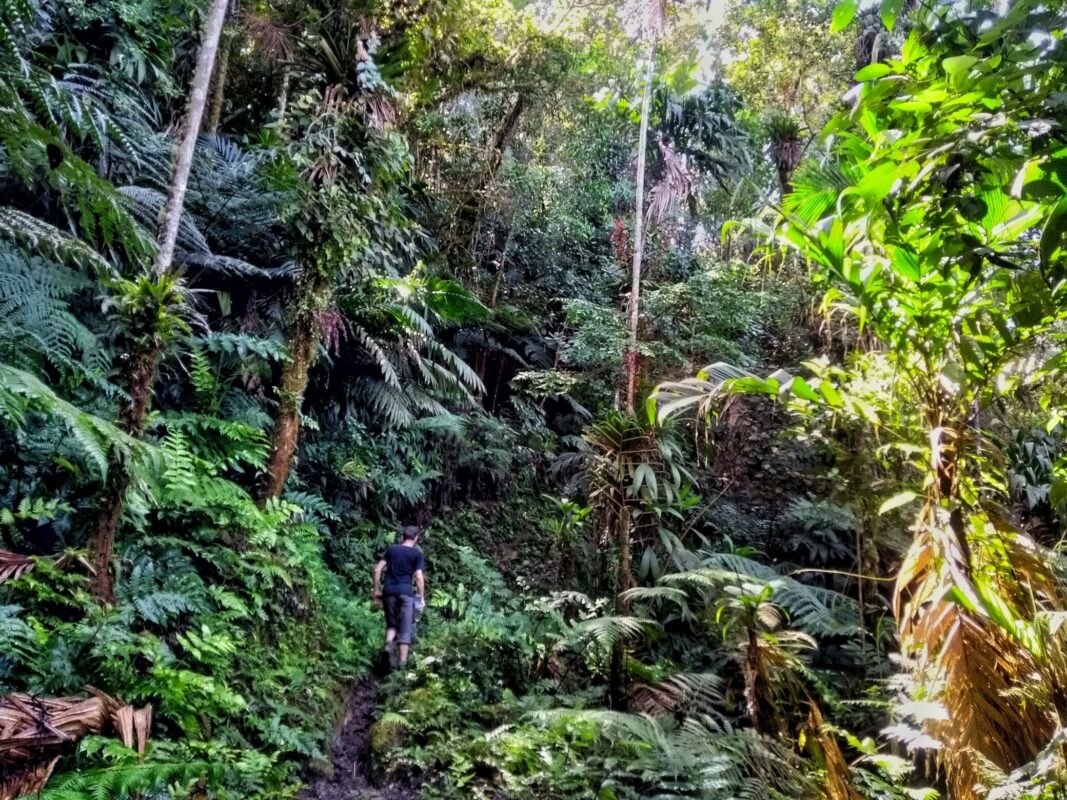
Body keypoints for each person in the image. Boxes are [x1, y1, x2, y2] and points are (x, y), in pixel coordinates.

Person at [372, 525, 426, 669]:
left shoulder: (392, 550)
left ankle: (388, 646)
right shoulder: (416, 555)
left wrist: (376, 591)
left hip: (388, 593)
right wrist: (421, 597)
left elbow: (377, 569)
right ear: (416, 539)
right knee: (405, 629)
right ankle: (401, 667)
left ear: (402, 537)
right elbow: (419, 577)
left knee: (392, 624)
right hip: (405, 593)